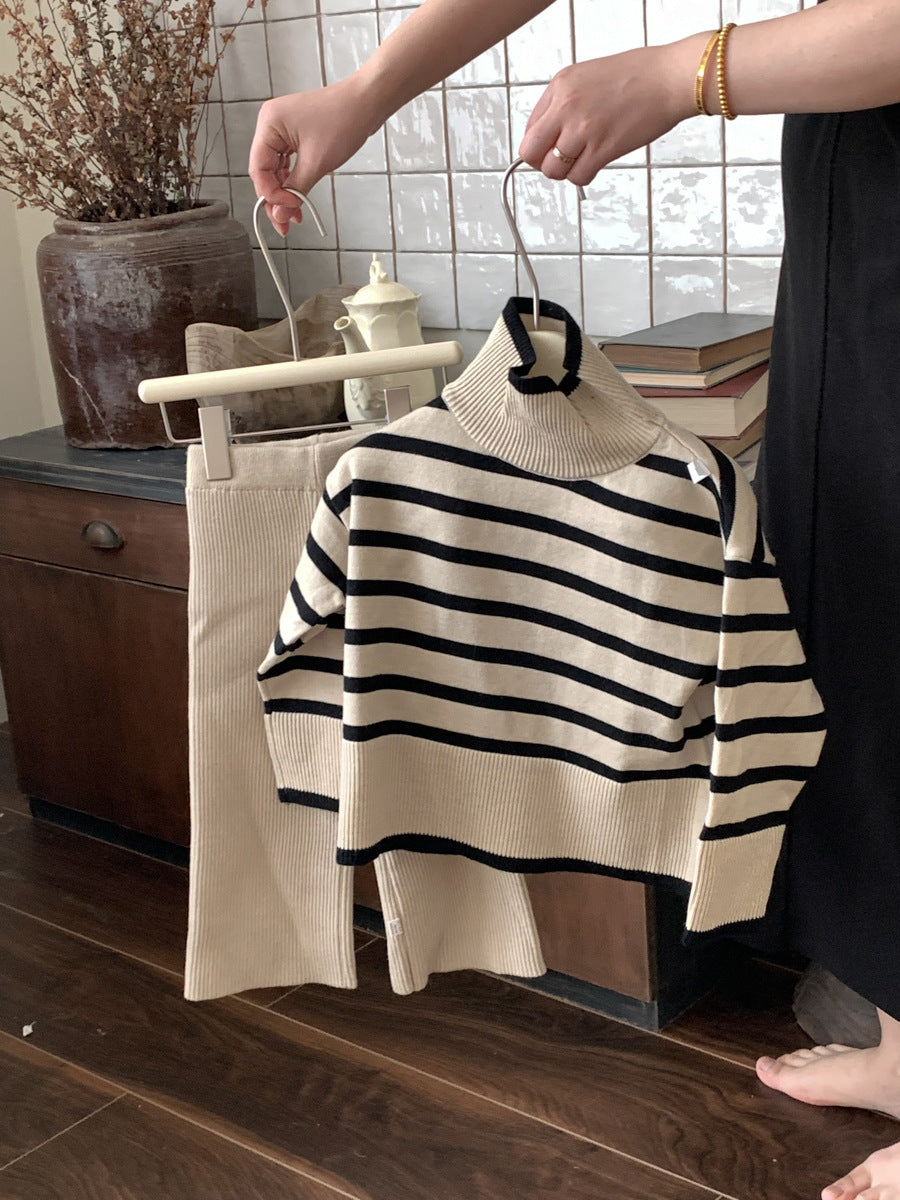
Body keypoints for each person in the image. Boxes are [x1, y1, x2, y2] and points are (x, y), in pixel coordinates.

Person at [249, 3, 900, 1197]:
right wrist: (366, 91)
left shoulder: (671, 482)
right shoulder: (396, 478)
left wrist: (686, 73)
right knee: (862, 614)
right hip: (856, 167)